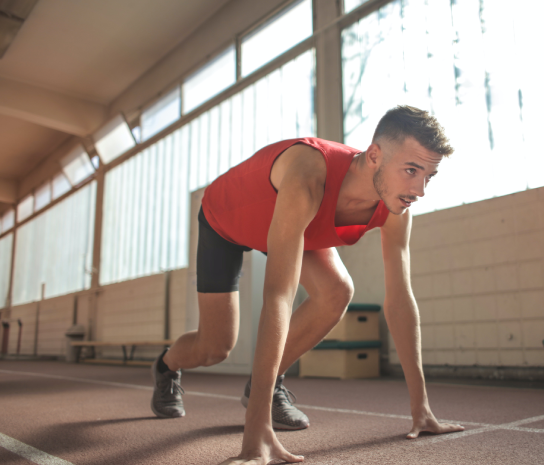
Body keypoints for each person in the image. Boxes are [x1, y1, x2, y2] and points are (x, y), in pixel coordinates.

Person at [150, 105, 465, 464]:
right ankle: (166, 366)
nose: (419, 189)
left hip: (295, 226)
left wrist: (420, 407)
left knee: (336, 292)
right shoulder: (309, 174)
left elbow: (400, 299)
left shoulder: (397, 208)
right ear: (375, 155)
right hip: (227, 220)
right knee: (215, 347)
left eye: (429, 176)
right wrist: (256, 433)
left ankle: (265, 386)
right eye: (411, 170)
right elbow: (279, 296)